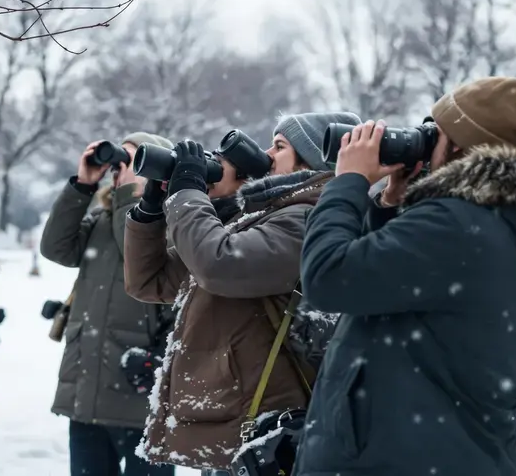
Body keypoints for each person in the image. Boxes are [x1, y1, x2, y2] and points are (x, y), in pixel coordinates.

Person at [296, 78, 516, 476]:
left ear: (460, 148)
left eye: (434, 133)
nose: (424, 142)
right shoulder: (503, 223)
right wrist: (391, 203)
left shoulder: (455, 225)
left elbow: (328, 277)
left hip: (394, 460)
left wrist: (348, 182)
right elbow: (385, 282)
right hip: (444, 453)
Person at [121, 113, 359, 475]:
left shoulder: (307, 219)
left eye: (279, 146)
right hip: (234, 414)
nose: (266, 154)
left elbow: (219, 264)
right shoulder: (260, 217)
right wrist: (152, 209)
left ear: (310, 161)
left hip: (263, 424)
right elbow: (149, 281)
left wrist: (187, 192)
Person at [39, 132, 177, 476]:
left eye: (133, 162)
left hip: (141, 393)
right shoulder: (103, 218)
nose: (121, 170)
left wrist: (132, 195)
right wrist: (83, 185)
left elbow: (137, 256)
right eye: (119, 162)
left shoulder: (171, 222)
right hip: (87, 393)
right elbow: (56, 249)